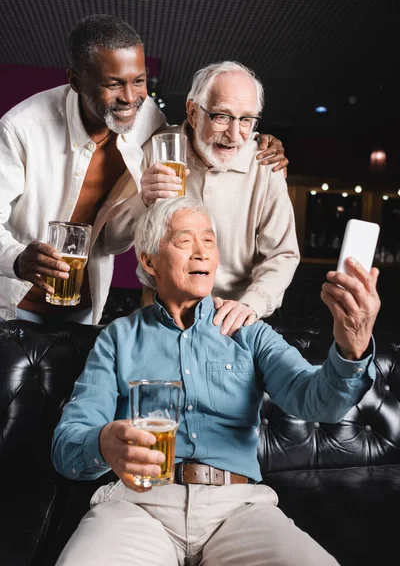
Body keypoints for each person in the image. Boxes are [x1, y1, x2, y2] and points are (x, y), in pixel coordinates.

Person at [52, 197, 380, 566]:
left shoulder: (250, 331)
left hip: (237, 508)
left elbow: (318, 402)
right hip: (137, 504)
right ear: (148, 261)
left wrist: (352, 348)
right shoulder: (117, 337)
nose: (201, 253)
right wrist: (103, 442)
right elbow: (67, 450)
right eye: (183, 241)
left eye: (209, 241)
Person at [0, 18, 287, 325]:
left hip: (84, 306)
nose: (129, 97)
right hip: (15, 302)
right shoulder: (22, 129)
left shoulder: (146, 116)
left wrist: (258, 141)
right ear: (76, 81)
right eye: (113, 84)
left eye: (138, 81)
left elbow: (199, 132)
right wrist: (16, 259)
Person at [137, 61, 300, 335]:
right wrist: (140, 198)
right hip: (159, 311)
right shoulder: (156, 151)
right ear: (192, 111)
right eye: (222, 116)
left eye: (246, 119)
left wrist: (251, 305)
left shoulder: (266, 164)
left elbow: (282, 254)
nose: (235, 135)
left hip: (234, 318)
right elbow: (116, 236)